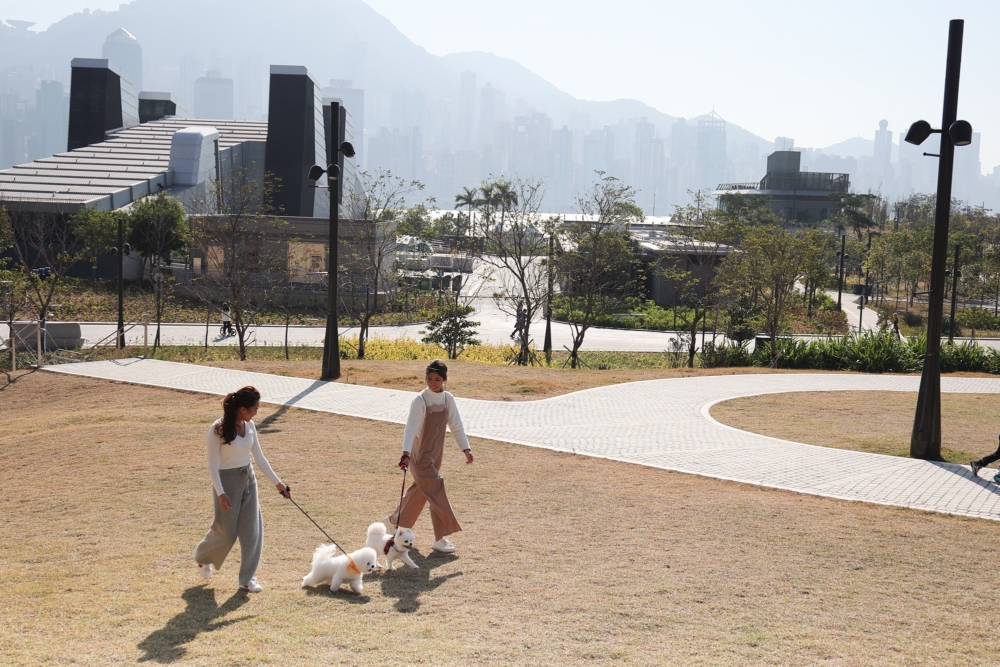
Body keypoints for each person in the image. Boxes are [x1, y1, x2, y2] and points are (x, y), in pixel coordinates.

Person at [195, 386, 290, 592]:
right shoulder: (217, 429)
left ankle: (247, 579)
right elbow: (211, 464)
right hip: (226, 482)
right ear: (242, 409)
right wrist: (221, 493)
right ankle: (203, 558)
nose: (257, 412)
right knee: (227, 532)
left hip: (248, 478)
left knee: (252, 531)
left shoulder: (250, 426)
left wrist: (278, 483)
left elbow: (259, 457)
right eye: (254, 408)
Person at [384, 360, 473, 553]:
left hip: (436, 454)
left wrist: (465, 449)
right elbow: (411, 428)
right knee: (436, 490)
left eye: (437, 379)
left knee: (422, 492)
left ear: (445, 379)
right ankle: (440, 538)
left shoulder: (448, 399)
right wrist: (406, 453)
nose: (433, 383)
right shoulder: (420, 400)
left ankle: (394, 520)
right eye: (429, 378)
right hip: (419, 456)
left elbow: (456, 425)